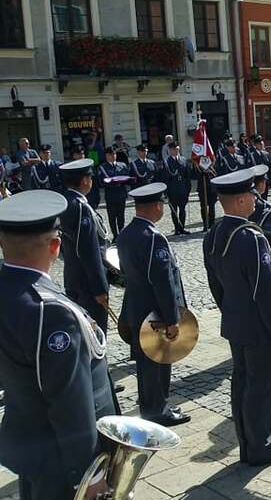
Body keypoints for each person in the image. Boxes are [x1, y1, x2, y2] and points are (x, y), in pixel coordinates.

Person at [0, 190, 117, 500]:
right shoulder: (50, 310)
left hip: (31, 439)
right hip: (61, 457)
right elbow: (69, 401)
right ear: (55, 246)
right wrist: (89, 476)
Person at [203, 170, 271, 466]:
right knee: (259, 387)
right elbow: (265, 291)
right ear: (241, 199)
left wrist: (229, 309)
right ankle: (260, 446)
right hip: (258, 327)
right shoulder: (250, 238)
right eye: (252, 197)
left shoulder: (214, 234)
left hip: (234, 321)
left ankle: (246, 442)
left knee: (242, 382)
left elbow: (214, 283)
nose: (256, 202)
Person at [117, 183, 191, 427]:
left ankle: (151, 405)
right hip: (154, 312)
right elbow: (163, 282)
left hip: (136, 307)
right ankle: (157, 410)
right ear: (157, 206)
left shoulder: (127, 233)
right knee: (158, 361)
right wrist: (172, 319)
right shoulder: (153, 238)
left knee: (145, 362)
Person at [58, 159, 112, 335]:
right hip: (88, 283)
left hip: (74, 276)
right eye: (90, 177)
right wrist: (99, 287)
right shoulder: (81, 207)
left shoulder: (66, 202)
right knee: (95, 334)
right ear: (84, 181)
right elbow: (88, 250)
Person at [98, 146, 129, 240]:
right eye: (111, 154)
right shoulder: (102, 167)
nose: (113, 156)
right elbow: (100, 182)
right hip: (110, 194)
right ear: (106, 156)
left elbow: (127, 177)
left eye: (114, 154)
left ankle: (122, 234)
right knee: (112, 217)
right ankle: (115, 236)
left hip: (121, 193)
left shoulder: (122, 165)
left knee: (121, 216)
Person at [162, 145, 191, 235]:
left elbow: (187, 176)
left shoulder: (183, 160)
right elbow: (165, 178)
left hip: (182, 189)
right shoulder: (166, 162)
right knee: (174, 210)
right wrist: (165, 192)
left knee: (182, 209)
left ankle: (182, 227)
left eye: (178, 149)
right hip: (172, 190)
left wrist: (188, 189)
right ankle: (176, 229)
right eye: (174, 149)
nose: (176, 151)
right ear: (170, 150)